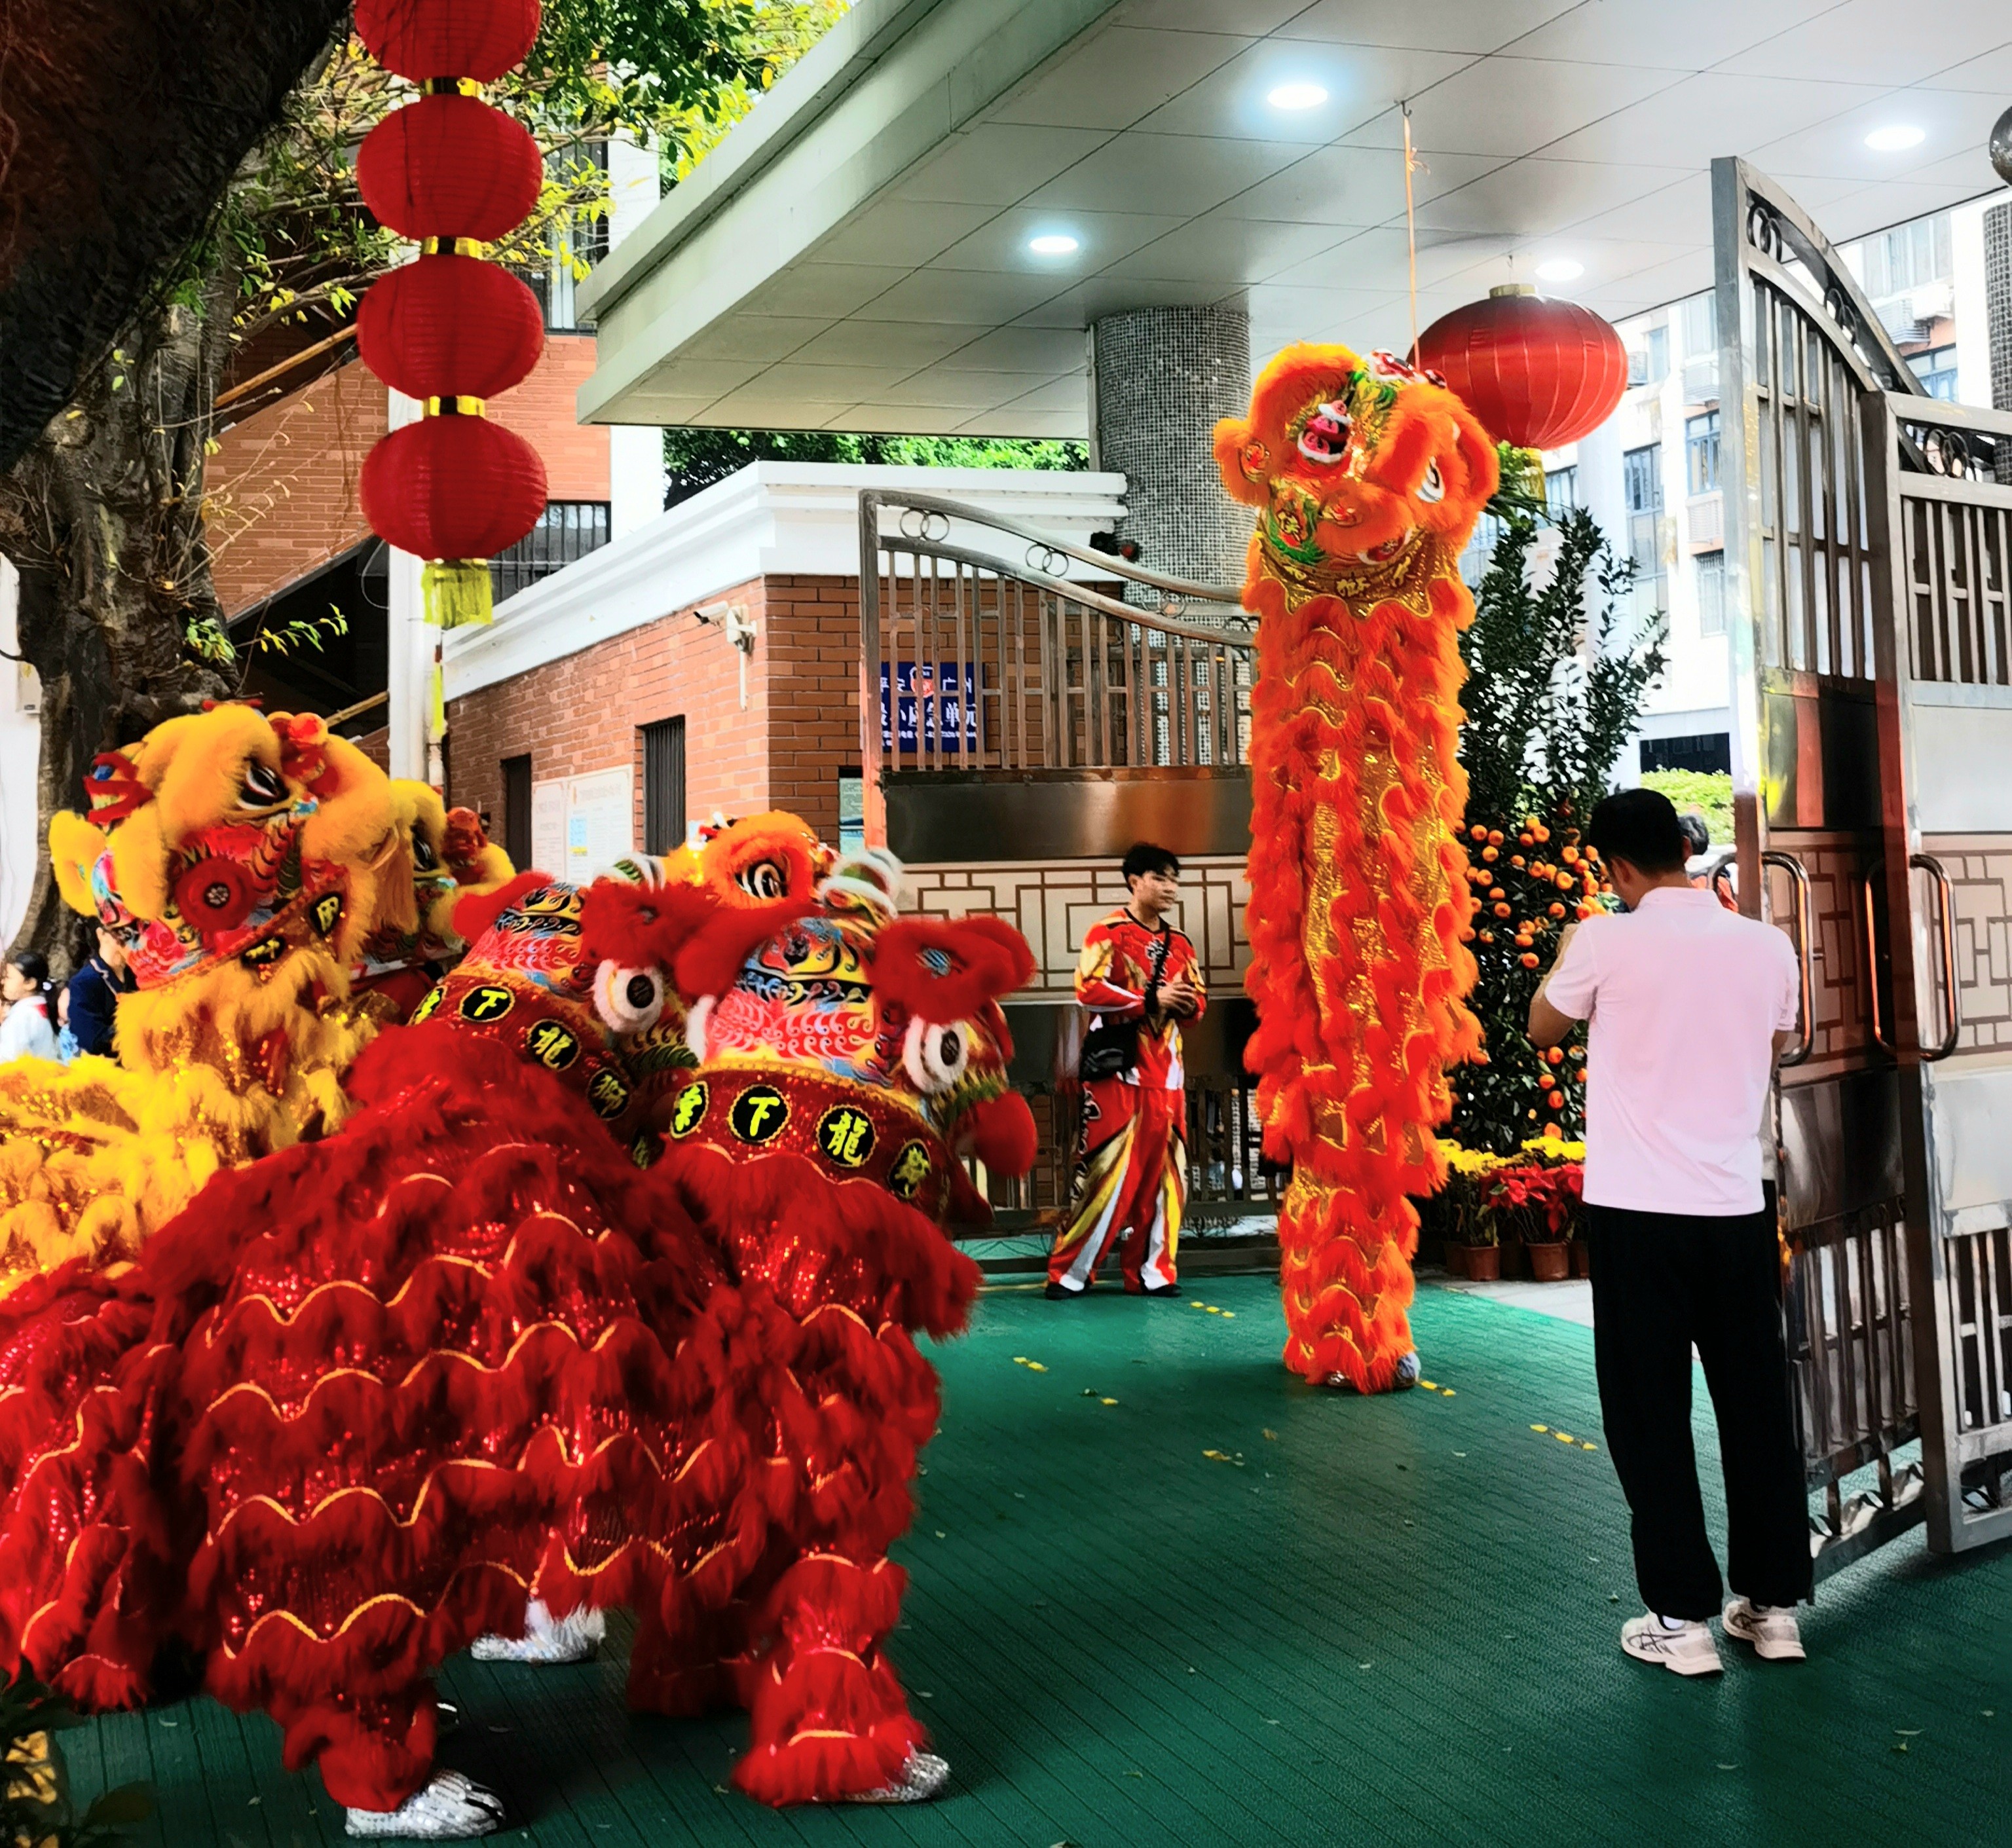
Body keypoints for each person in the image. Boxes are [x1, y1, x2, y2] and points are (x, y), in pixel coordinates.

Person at [1528, 787, 1810, 1677]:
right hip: (1736, 1205)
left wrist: (1576, 947)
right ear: (1686, 850)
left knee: (1650, 1411)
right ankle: (1774, 1610)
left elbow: (1542, 1027)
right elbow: (1769, 1048)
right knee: (1756, 1405)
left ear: (1612, 864)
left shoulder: (1605, 938)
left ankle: (1682, 1621)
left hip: (1639, 1213)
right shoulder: (1764, 943)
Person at [1047, 843, 1204, 1299]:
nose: (1170, 888)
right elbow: (1087, 989)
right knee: (1105, 1174)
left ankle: (1155, 1273)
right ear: (1134, 881)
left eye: (1174, 880)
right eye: (1160, 878)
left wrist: (1188, 1003)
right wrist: (1151, 1000)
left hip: (1169, 1080)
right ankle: (1069, 1272)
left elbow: (1198, 1003)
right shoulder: (1107, 932)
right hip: (1118, 1076)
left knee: (1167, 1180)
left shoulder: (1182, 944)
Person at [62, 926, 135, 1060]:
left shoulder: (136, 975)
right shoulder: (83, 983)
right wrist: (136, 1028)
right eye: (122, 937)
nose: (128, 946)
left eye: (134, 938)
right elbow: (91, 1042)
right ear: (102, 934)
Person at [0, 952, 61, 1062]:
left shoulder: (23, 1017)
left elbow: (8, 1060)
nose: (3, 981)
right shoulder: (38, 1008)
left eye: (8, 977)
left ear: (30, 984)